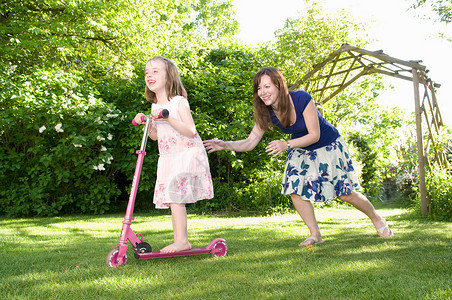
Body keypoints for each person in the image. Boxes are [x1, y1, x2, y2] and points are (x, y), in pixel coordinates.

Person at [203, 67, 393, 247]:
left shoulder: (301, 98)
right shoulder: (266, 112)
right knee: (294, 188)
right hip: (300, 147)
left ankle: (376, 218)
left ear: (278, 85)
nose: (262, 92)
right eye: (259, 88)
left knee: (344, 193)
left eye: (267, 86)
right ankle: (315, 234)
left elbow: (314, 135)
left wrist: (286, 144)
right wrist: (226, 145)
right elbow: (250, 142)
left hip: (327, 144)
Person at [134, 56, 214, 253]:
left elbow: (190, 130)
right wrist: (148, 124)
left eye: (155, 71)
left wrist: (167, 117)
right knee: (172, 198)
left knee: (175, 196)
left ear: (169, 76)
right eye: (146, 73)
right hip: (169, 156)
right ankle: (181, 240)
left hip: (187, 154)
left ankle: (182, 241)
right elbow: (155, 137)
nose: (149, 75)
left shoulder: (179, 102)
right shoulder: (155, 106)